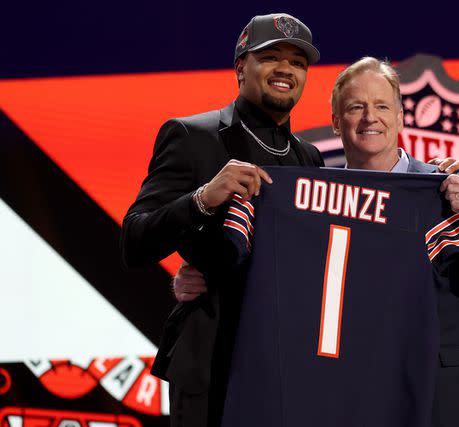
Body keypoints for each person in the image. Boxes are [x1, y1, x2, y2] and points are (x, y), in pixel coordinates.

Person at [172, 57, 459, 426]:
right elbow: (276, 278)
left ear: (401, 117)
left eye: (382, 106)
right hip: (353, 393)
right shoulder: (310, 202)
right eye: (356, 107)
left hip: (444, 397)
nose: (370, 117)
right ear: (337, 123)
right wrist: (200, 276)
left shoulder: (449, 191)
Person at [121, 13, 325, 427]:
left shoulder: (310, 159)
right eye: (270, 57)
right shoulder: (192, 136)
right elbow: (134, 240)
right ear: (240, 68)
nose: (285, 69)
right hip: (212, 364)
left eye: (297, 62)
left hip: (284, 366)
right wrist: (202, 198)